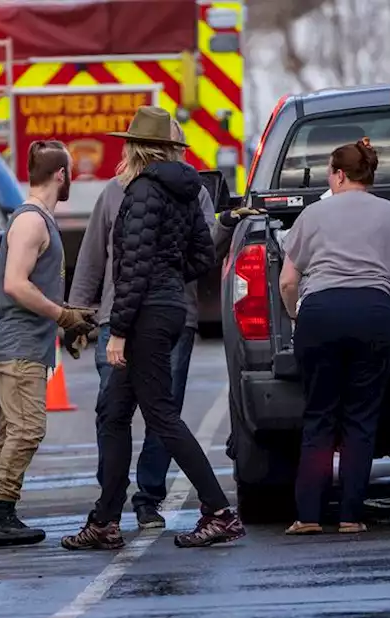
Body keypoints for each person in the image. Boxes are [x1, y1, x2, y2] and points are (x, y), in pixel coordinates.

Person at [61, 106, 246, 550]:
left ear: (135, 148)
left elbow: (134, 269)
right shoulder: (187, 191)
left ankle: (219, 511)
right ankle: (105, 520)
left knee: (160, 415)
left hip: (140, 314)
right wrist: (170, 274)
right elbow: (202, 256)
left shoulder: (140, 191)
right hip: (163, 309)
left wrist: (118, 329)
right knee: (115, 413)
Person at [278, 138, 390, 535]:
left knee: (320, 416)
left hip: (319, 316)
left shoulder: (312, 215)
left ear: (339, 175)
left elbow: (288, 281)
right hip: (373, 316)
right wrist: (375, 283)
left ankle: (308, 516)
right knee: (361, 418)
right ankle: (350, 516)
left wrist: (296, 316)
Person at [0, 140, 97, 548]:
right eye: (71, 171)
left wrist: (69, 322)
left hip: (23, 343)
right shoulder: (31, 221)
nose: (72, 178)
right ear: (60, 174)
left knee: (11, 430)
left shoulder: (38, 218)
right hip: (18, 346)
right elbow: (14, 284)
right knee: (27, 430)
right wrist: (61, 315)